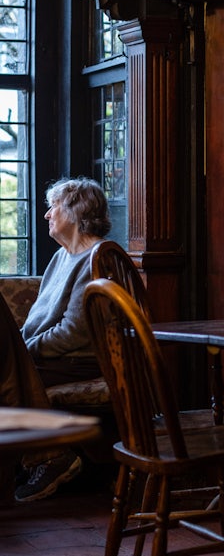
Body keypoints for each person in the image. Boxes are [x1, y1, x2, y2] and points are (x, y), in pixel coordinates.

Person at [12, 177, 111, 503]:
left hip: (80, 360)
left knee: (11, 380)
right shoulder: (60, 257)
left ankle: (51, 458)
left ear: (77, 211)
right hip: (52, 357)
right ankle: (46, 457)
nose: (46, 215)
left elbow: (75, 332)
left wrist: (24, 353)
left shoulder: (98, 257)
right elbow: (38, 321)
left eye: (54, 206)